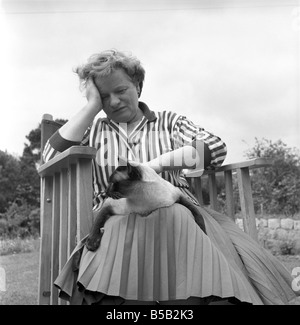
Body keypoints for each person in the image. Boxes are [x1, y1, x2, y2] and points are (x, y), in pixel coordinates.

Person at [43, 49, 299, 305]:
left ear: (138, 85)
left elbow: (215, 147)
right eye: (104, 97)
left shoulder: (169, 123)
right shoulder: (93, 129)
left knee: (174, 215)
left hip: (179, 214)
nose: (114, 102)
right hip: (118, 218)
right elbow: (49, 157)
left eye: (120, 90)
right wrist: (91, 107)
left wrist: (154, 165)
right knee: (125, 229)